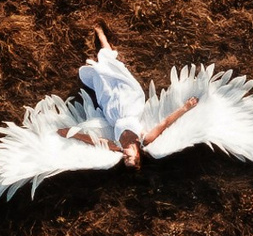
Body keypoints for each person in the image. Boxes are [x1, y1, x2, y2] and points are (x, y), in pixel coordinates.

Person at [66, 26, 197, 166]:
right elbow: (164, 123)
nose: (125, 157)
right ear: (137, 155)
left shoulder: (117, 146)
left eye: (125, 160)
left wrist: (71, 133)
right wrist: (185, 107)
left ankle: (95, 60)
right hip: (129, 100)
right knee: (114, 68)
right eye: (129, 158)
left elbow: (94, 140)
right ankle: (101, 34)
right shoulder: (144, 139)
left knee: (101, 77)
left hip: (110, 107)